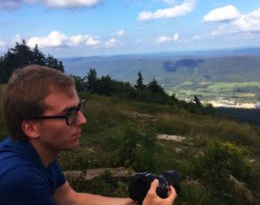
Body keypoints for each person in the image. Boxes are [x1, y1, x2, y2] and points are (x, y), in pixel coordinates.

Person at [0, 65, 177, 205]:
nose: (82, 120)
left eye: (79, 108)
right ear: (31, 128)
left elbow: (72, 200)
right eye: (69, 114)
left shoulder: (34, 152)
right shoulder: (19, 179)